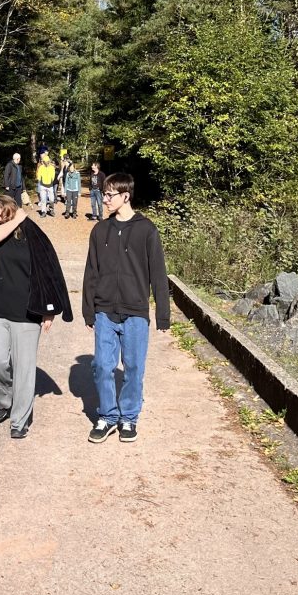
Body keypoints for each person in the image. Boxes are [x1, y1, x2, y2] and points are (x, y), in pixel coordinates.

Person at [82, 173, 170, 444]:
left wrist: (162, 315)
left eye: (110, 195)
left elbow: (158, 274)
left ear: (125, 196)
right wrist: (88, 309)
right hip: (105, 311)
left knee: (133, 368)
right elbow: (91, 271)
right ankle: (108, 416)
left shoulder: (147, 230)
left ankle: (129, 417)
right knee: (102, 366)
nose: (105, 199)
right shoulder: (100, 231)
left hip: (135, 312)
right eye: (104, 194)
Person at [0, 195, 72, 439]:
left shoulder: (33, 235)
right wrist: (18, 218)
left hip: (28, 311)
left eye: (0, 210)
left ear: (10, 207)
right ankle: (4, 400)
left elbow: (48, 269)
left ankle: (19, 420)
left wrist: (49, 310)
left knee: (24, 368)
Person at [35, 152, 56, 217]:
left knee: (51, 199)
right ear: (43, 162)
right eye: (45, 162)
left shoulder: (52, 167)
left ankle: (51, 210)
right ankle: (43, 211)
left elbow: (53, 175)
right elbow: (39, 175)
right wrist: (39, 180)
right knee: (43, 199)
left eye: (47, 161)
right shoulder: (41, 167)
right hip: (43, 185)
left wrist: (51, 180)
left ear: (49, 161)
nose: (46, 163)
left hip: (50, 186)